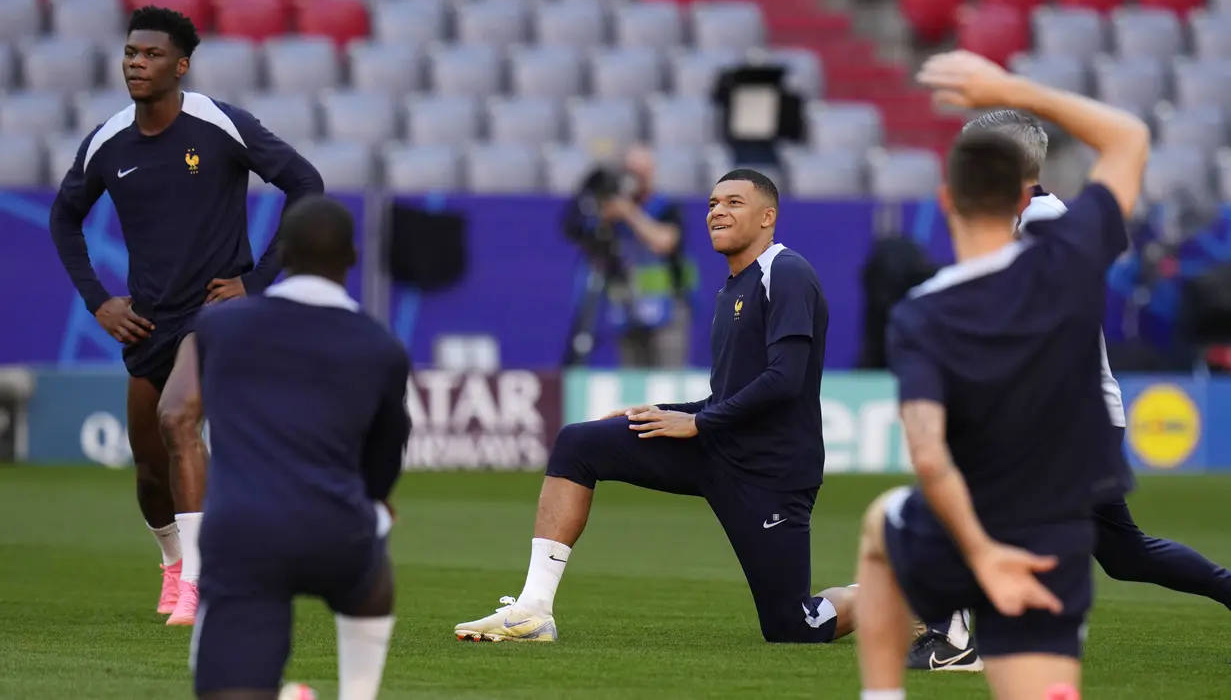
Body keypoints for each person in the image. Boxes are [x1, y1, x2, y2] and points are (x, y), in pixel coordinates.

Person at [854, 50, 1149, 700]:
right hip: (1055, 524)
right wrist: (1010, 88)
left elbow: (929, 456)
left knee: (880, 525)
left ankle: (882, 691)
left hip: (975, 514)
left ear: (944, 199)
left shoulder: (920, 313)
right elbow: (1128, 136)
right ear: (1025, 191)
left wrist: (979, 554)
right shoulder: (1070, 258)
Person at [455, 169, 857, 644]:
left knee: (794, 627)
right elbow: (729, 394)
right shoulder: (732, 288)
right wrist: (656, 411)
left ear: (768, 217)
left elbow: (785, 379)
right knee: (579, 444)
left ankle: (892, 590)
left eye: (733, 202)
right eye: (711, 204)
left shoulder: (785, 271)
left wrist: (700, 421)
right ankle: (532, 610)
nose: (717, 212)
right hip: (718, 446)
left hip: (771, 471)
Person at [907, 109, 1231, 674]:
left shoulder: (1045, 220)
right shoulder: (1017, 220)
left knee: (956, 500)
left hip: (1058, 413)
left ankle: (951, 637)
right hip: (1060, 412)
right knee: (1125, 555)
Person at [48, 6, 324, 626]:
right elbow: (64, 218)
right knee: (148, 464)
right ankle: (174, 567)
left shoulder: (220, 124)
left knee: (179, 421)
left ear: (181, 65)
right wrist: (99, 300)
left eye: (150, 55)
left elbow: (307, 184)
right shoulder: (106, 140)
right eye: (130, 53)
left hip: (214, 315)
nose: (135, 64)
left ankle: (200, 584)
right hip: (146, 321)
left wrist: (257, 280)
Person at [188, 195, 409, 700]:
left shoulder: (219, 327)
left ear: (282, 253)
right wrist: (371, 500)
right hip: (335, 531)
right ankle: (358, 693)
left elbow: (179, 411)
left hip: (241, 533)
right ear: (352, 258)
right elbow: (384, 462)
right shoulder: (382, 348)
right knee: (375, 568)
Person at [562, 145, 693, 368]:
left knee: (667, 383)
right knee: (632, 381)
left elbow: (664, 242)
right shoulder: (611, 213)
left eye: (641, 173)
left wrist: (630, 213)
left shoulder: (666, 207)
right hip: (627, 308)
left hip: (666, 311)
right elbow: (577, 230)